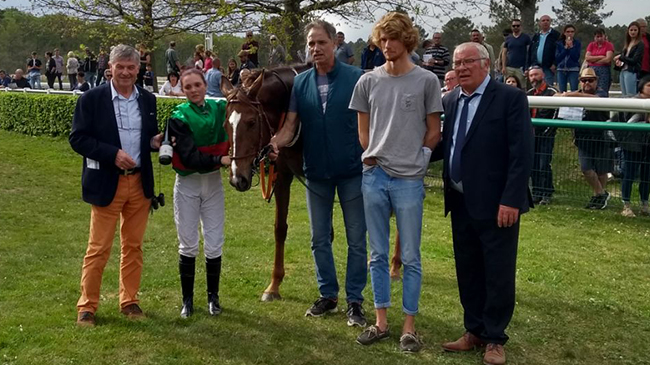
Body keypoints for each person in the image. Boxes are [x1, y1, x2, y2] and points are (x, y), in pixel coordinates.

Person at [350, 11, 442, 353]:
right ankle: (380, 322)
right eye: (382, 39)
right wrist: (372, 154)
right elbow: (363, 132)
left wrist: (418, 161)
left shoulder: (426, 81)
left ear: (408, 41)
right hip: (374, 176)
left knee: (411, 256)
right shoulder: (367, 81)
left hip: (409, 181)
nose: (387, 45)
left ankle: (409, 328)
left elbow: (434, 132)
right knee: (377, 255)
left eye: (394, 39)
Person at [438, 42, 533, 365]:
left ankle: (495, 337)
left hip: (497, 205)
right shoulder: (450, 100)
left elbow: (521, 154)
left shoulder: (510, 98)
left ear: (486, 64)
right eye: (456, 62)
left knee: (497, 271)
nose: (461, 67)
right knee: (468, 269)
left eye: (467, 62)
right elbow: (447, 145)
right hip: (460, 200)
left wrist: (511, 199)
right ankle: (473, 330)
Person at [269, 19, 368, 328]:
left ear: (334, 44)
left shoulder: (357, 78)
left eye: (321, 42)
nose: (315, 48)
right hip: (316, 173)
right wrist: (275, 143)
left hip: (352, 171)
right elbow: (289, 127)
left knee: (356, 239)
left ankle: (354, 300)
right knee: (318, 238)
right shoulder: (301, 83)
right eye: (311, 44)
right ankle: (328, 294)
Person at [69, 44, 163, 327]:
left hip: (139, 183)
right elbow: (78, 139)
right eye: (119, 67)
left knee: (133, 247)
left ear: (138, 69)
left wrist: (154, 143)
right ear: (109, 68)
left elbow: (147, 138)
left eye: (130, 67)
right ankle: (87, 307)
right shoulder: (91, 99)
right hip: (107, 182)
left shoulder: (147, 100)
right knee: (98, 248)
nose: (125, 72)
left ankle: (130, 301)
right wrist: (112, 154)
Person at [166, 68, 231, 318]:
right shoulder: (178, 117)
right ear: (183, 90)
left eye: (197, 85)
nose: (194, 90)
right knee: (188, 242)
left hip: (213, 183)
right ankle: (187, 300)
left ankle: (213, 298)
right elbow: (189, 157)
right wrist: (220, 159)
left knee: (215, 242)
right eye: (188, 87)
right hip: (188, 183)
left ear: (205, 85)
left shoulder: (218, 108)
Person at [556, 67, 612, 209]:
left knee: (601, 170)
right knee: (586, 168)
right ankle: (601, 194)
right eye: (584, 80)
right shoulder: (576, 94)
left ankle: (598, 198)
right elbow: (558, 97)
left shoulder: (601, 93)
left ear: (596, 81)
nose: (587, 83)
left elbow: (598, 100)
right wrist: (565, 95)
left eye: (590, 80)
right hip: (583, 138)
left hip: (601, 138)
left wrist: (572, 95)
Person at [612, 75, 650, 217]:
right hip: (632, 145)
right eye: (649, 86)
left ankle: (644, 203)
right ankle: (626, 204)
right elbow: (625, 123)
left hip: (647, 145)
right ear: (642, 87)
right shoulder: (632, 102)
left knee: (646, 176)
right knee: (629, 174)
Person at [527, 66, 558, 205]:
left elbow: (557, 113)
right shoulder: (528, 93)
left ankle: (546, 193)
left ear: (543, 75)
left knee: (544, 164)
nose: (533, 78)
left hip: (545, 135)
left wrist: (549, 130)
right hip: (531, 136)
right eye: (531, 75)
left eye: (536, 75)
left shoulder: (552, 92)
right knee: (533, 164)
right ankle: (536, 192)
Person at [527, 15, 560, 86]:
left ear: (550, 22)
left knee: (547, 87)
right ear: (539, 23)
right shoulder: (536, 36)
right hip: (535, 66)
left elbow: (559, 51)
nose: (545, 22)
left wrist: (555, 64)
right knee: (535, 87)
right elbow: (530, 52)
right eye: (543, 20)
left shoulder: (556, 35)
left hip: (548, 67)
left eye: (547, 20)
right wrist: (527, 66)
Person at [615, 21, 645, 97]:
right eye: (631, 30)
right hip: (623, 70)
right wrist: (619, 61)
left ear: (638, 31)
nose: (633, 32)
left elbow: (634, 60)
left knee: (631, 95)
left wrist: (621, 57)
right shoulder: (627, 43)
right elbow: (624, 57)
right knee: (624, 95)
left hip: (631, 71)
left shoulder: (640, 44)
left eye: (635, 30)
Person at [501, 19, 531, 88]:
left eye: (517, 25)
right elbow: (504, 53)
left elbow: (529, 53)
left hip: (521, 68)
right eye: (514, 26)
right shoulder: (508, 38)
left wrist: (527, 67)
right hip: (509, 67)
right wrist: (503, 66)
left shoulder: (526, 38)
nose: (516, 27)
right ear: (511, 27)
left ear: (521, 27)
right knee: (507, 87)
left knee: (521, 87)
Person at [585, 28, 614, 95]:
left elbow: (608, 59)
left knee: (602, 90)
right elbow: (587, 58)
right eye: (597, 37)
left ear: (604, 36)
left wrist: (593, 61)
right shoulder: (591, 45)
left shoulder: (609, 45)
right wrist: (600, 57)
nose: (599, 38)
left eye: (601, 36)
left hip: (604, 70)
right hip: (592, 70)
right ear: (594, 37)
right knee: (591, 89)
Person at [555, 24, 581, 92]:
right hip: (561, 69)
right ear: (564, 33)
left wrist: (572, 48)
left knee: (574, 90)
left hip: (573, 69)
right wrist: (565, 49)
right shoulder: (559, 43)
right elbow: (558, 58)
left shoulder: (577, 43)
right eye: (568, 32)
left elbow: (576, 57)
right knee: (562, 90)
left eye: (572, 32)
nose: (570, 33)